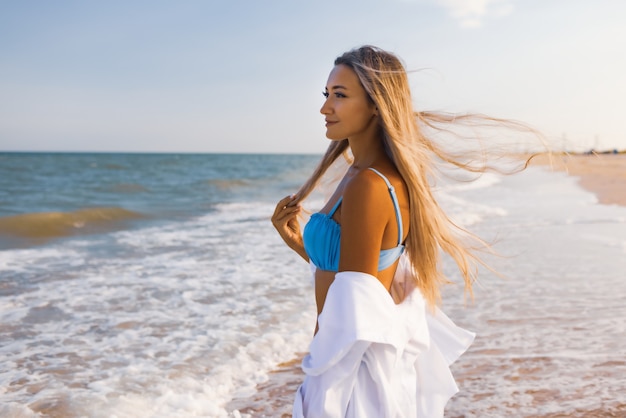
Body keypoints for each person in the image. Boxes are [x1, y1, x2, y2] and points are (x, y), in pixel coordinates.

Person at [271, 45, 526, 417]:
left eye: (340, 96)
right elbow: (357, 271)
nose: (326, 107)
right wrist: (296, 241)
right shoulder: (361, 174)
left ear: (376, 104)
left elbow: (352, 308)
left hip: (349, 372)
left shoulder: (368, 185)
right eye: (327, 95)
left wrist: (317, 380)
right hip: (354, 362)